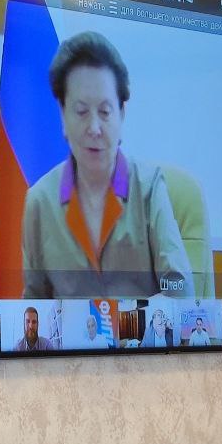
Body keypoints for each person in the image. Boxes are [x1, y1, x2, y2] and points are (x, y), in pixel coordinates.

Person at [21, 31, 193, 300]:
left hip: (142, 329)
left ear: (121, 115)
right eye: (81, 111)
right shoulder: (40, 201)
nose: (94, 128)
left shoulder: (148, 188)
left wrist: (123, 319)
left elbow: (179, 287)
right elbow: (34, 302)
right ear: (63, 116)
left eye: (104, 112)